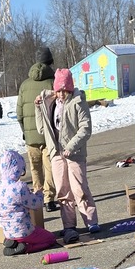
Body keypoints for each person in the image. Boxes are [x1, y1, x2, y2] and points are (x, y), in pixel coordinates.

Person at [34, 69, 99, 245]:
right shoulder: (50, 103)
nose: (61, 94)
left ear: (70, 89)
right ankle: (69, 225)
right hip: (56, 153)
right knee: (63, 191)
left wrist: (71, 146)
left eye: (65, 90)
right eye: (59, 90)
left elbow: (86, 128)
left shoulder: (78, 102)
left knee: (79, 188)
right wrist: (38, 109)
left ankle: (91, 221)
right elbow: (42, 129)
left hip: (74, 153)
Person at [0, 149, 57, 257]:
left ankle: (13, 241)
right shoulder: (19, 187)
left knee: (25, 231)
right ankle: (26, 247)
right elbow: (36, 204)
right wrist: (39, 194)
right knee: (50, 238)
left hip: (7, 231)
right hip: (24, 231)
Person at [16, 46, 57, 210]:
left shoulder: (24, 85)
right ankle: (49, 199)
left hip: (31, 137)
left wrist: (25, 131)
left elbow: (19, 113)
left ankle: (38, 197)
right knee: (50, 168)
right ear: (50, 62)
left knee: (35, 169)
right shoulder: (53, 82)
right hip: (48, 135)